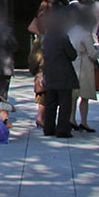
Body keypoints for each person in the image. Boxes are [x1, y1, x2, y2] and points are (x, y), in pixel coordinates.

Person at [40, 10, 79, 138]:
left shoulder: (46, 38)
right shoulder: (62, 37)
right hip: (63, 74)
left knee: (51, 102)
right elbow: (72, 54)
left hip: (50, 73)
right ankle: (62, 129)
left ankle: (48, 128)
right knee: (64, 103)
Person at [69, 7, 99, 133]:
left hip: (72, 64)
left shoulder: (70, 31)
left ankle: (71, 119)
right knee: (84, 96)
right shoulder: (86, 34)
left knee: (73, 96)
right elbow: (92, 53)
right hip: (84, 66)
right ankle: (84, 121)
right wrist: (98, 54)